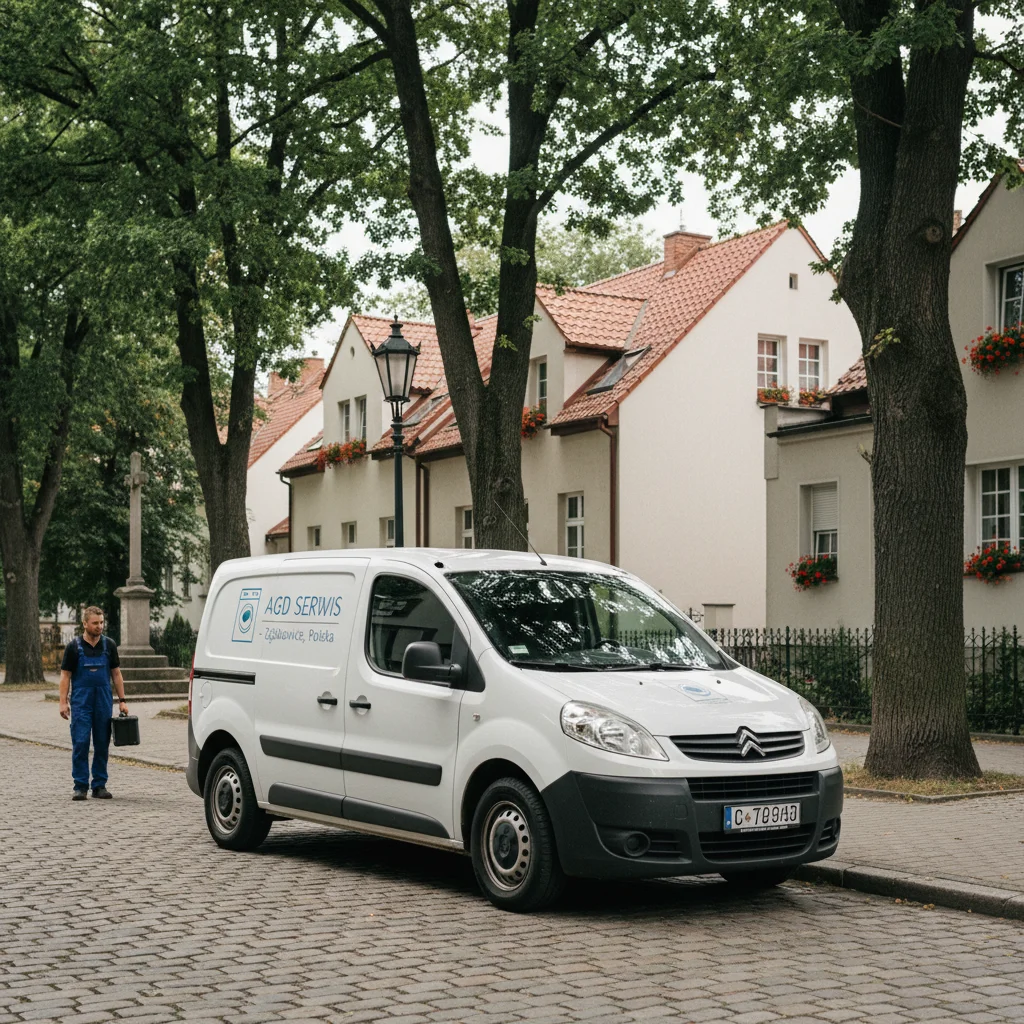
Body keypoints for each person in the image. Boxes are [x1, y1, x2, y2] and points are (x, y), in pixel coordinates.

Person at [59, 606, 129, 800]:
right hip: (81, 701)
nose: (99, 626)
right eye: (95, 623)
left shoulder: (109, 645)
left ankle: (99, 785)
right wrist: (63, 703)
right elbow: (65, 676)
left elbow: (116, 673)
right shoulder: (74, 647)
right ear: (85, 624)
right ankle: (80, 786)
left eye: (101, 622)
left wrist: (122, 701)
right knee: (80, 742)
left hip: (103, 700)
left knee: (101, 743)